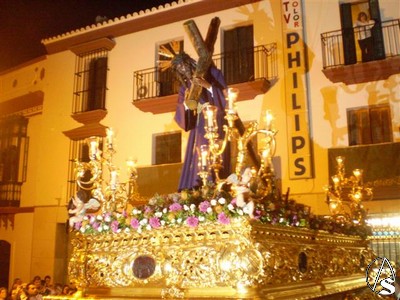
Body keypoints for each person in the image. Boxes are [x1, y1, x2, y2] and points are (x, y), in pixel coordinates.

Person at [172, 52, 231, 191]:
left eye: (183, 65)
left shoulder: (211, 74)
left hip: (214, 121)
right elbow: (183, 111)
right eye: (179, 68)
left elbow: (225, 95)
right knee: (199, 152)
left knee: (215, 150)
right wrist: (186, 104)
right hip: (199, 126)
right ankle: (198, 185)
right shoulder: (185, 88)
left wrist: (207, 86)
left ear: (190, 62)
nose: (183, 69)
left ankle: (215, 181)